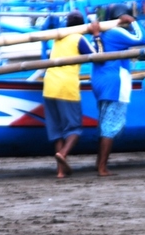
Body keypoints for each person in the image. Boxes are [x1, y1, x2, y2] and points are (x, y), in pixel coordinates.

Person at [43, 11, 102, 178]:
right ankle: (63, 154)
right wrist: (96, 35)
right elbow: (98, 57)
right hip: (66, 86)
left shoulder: (58, 37)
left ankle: (60, 171)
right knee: (74, 128)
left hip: (49, 85)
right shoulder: (78, 38)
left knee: (58, 130)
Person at [92, 4, 145, 176]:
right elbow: (143, 38)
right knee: (110, 126)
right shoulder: (116, 32)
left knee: (104, 125)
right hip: (114, 82)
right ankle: (102, 167)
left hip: (100, 81)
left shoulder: (100, 34)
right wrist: (133, 21)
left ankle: (99, 164)